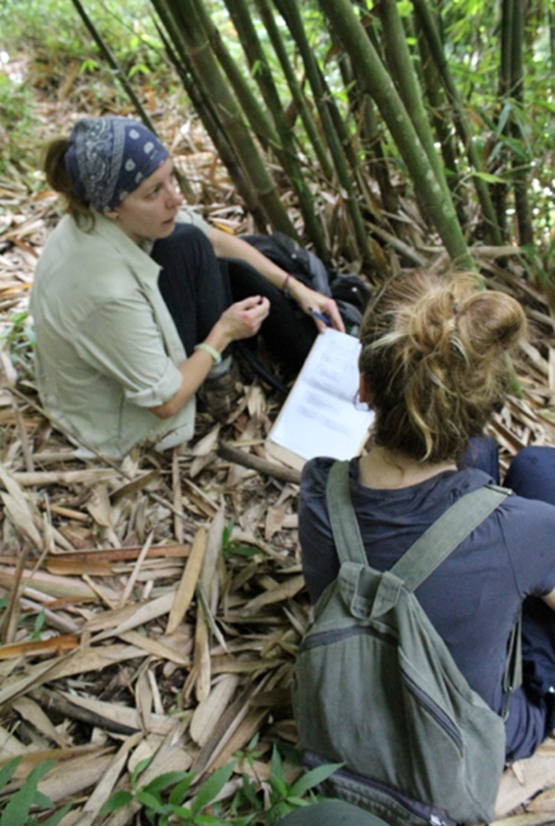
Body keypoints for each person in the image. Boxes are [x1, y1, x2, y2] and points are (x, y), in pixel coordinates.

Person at [298, 269, 555, 765]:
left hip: (358, 702)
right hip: (469, 737)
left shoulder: (318, 490)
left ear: (365, 387)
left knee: (486, 462)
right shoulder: (521, 529)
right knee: (540, 470)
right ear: (482, 399)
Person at [30, 115, 343, 458]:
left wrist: (295, 286)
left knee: (196, 244)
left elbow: (214, 240)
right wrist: (223, 333)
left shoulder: (102, 209)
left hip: (116, 347)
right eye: (154, 192)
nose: (174, 199)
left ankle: (316, 352)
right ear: (113, 208)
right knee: (209, 260)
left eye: (171, 180)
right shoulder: (106, 290)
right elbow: (164, 403)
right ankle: (221, 387)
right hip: (119, 421)